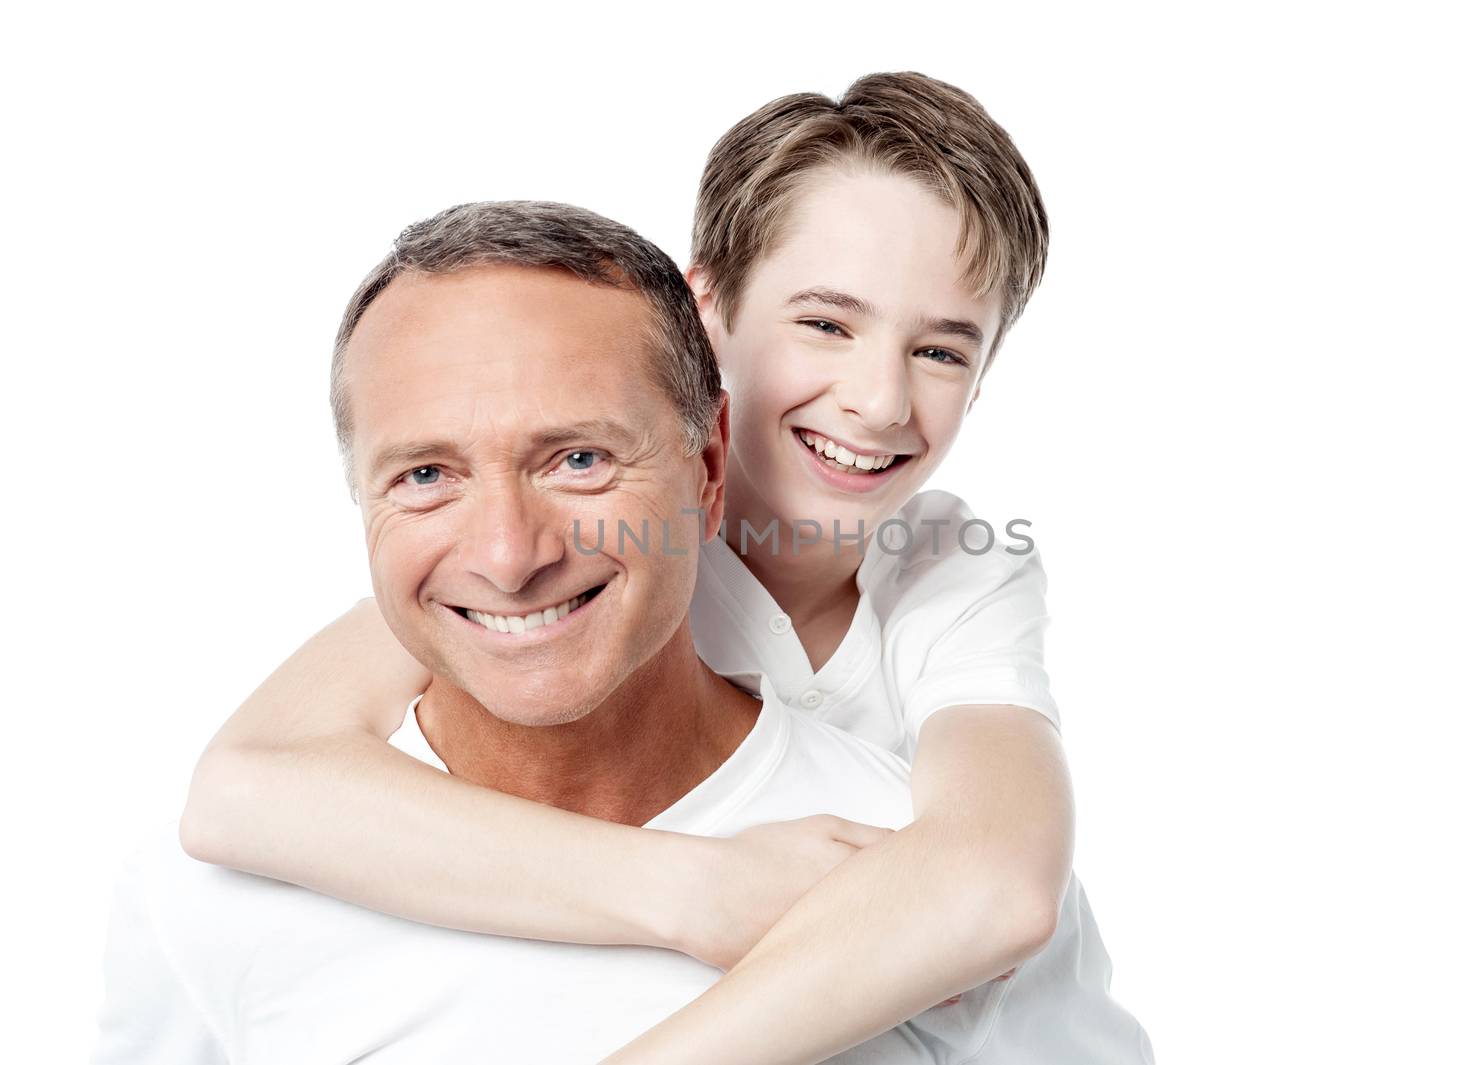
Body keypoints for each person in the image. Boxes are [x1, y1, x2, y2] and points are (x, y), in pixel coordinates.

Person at [176, 73, 1152, 1063]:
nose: (878, 400)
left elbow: (999, 885)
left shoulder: (954, 572)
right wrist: (691, 888)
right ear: (706, 314)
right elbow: (242, 790)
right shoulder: (588, 541)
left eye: (941, 351)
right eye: (825, 323)